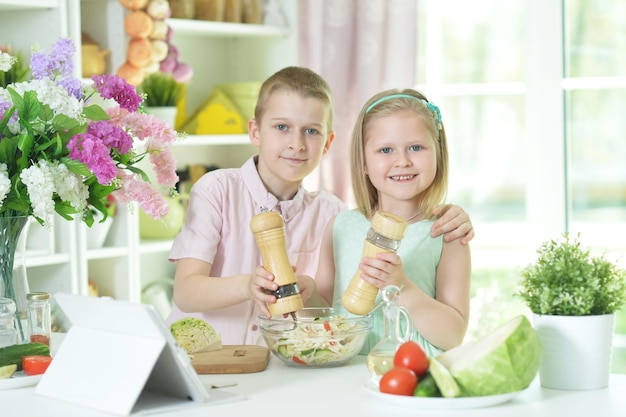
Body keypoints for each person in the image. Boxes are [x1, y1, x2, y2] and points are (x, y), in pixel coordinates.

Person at [167, 68, 473, 346]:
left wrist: (308, 289)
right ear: (255, 131)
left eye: (311, 131)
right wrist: (249, 285)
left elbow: (326, 309)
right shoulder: (218, 190)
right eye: (282, 127)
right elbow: (185, 291)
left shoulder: (332, 214)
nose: (297, 144)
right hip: (203, 359)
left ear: (328, 143)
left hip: (281, 374)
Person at [314, 89, 472, 357]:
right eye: (385, 150)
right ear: (363, 162)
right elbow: (326, 310)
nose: (402, 161)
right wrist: (302, 291)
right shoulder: (340, 227)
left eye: (416, 147)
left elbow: (453, 336)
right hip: (341, 373)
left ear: (438, 155)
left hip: (414, 375)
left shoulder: (447, 232)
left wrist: (402, 287)